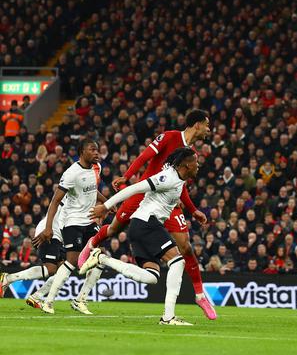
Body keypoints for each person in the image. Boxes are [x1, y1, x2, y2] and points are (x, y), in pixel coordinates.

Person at [77, 109, 216, 320]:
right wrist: (127, 176)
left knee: (185, 246)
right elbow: (145, 155)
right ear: (197, 124)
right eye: (207, 125)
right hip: (145, 192)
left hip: (166, 202)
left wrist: (193, 209)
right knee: (114, 228)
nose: (209, 129)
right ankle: (92, 245)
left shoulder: (188, 153)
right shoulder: (170, 137)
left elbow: (180, 184)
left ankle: (199, 295)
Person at [82, 148, 199, 325]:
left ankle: (102, 259)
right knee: (178, 261)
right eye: (196, 162)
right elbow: (134, 189)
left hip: (141, 227)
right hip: (146, 223)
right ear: (187, 164)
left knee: (152, 276)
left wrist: (194, 210)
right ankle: (168, 317)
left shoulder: (179, 180)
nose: (198, 165)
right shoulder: (167, 178)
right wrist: (105, 206)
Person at [1, 139, 106, 314]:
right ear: (82, 152)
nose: (97, 153)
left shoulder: (96, 168)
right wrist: (47, 229)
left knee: (82, 260)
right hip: (56, 225)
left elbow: (91, 188)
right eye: (92, 149)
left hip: (74, 224)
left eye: (98, 149)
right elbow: (54, 202)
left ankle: (40, 296)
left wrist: (107, 203)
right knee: (54, 268)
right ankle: (10, 279)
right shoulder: (71, 174)